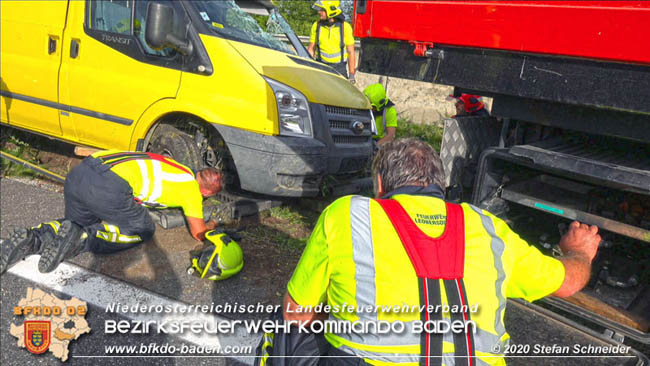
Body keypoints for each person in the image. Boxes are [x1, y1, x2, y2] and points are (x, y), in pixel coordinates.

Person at [283, 138, 601, 365]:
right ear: (440, 187)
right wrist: (580, 253)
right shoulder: (489, 229)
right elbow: (568, 282)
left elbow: (296, 314)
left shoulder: (348, 215)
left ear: (380, 185)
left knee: (284, 334)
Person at [0, 150, 223, 275]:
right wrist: (212, 224)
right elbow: (198, 232)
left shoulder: (176, 165)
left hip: (82, 173)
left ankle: (33, 238)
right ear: (206, 191)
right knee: (143, 228)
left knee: (74, 224)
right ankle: (84, 238)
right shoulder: (192, 191)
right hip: (110, 186)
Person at [308, 0, 356, 83]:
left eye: (322, 10)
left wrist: (351, 74)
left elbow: (350, 52)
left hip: (339, 69)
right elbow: (311, 49)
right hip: (320, 66)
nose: (319, 12)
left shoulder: (345, 27)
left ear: (330, 11)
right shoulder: (316, 25)